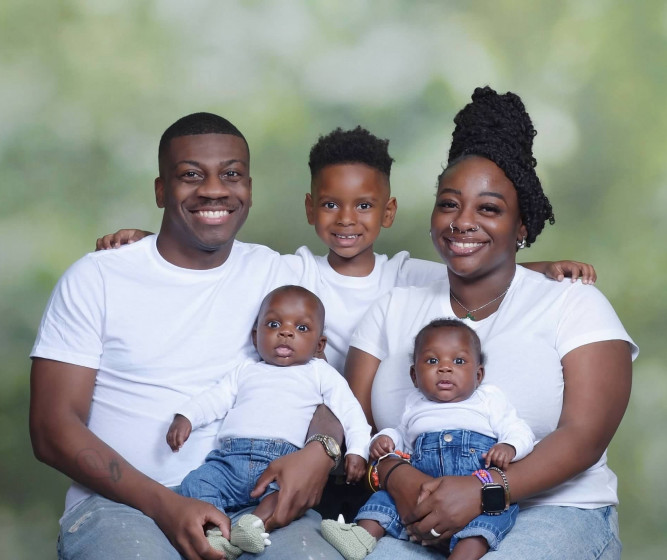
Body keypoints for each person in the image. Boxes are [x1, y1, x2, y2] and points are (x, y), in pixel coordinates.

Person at [95, 125, 597, 522]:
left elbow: (476, 265)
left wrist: (543, 268)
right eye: (331, 204)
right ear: (310, 208)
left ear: (388, 212)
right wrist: (150, 241)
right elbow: (220, 258)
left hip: (373, 451)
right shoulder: (292, 271)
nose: (346, 219)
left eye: (364, 206)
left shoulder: (405, 276)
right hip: (309, 449)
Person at [29, 112, 348, 560]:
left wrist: (321, 450)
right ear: (162, 190)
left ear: (249, 188)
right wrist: (167, 505)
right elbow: (51, 428)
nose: (214, 189)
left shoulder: (280, 276)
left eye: (231, 175)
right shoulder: (98, 277)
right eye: (191, 175)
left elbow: (324, 390)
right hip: (123, 507)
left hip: (257, 500)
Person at [345, 86, 638, 560]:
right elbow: (351, 424)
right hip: (410, 511)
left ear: (521, 227)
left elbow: (583, 438)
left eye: (488, 209)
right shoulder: (393, 307)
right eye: (449, 203)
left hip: (552, 512)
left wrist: (483, 491)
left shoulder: (573, 304)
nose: (462, 222)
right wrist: (397, 476)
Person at [166, 285, 371, 559]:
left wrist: (358, 450)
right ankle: (216, 533)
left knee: (285, 496)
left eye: (301, 328)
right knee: (196, 482)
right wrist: (187, 417)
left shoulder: (320, 373)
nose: (286, 332)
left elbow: (351, 411)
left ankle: (253, 525)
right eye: (274, 324)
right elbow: (215, 398)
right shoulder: (245, 370)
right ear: (256, 336)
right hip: (229, 460)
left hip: (281, 464)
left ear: (319, 345)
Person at [322, 319, 534, 560]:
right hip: (419, 493)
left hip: (473, 493)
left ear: (478, 374)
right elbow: (401, 434)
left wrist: (509, 446)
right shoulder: (415, 405)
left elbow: (519, 429)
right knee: (383, 501)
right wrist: (385, 438)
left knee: (491, 516)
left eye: (459, 361)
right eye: (432, 361)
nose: (445, 368)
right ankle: (360, 537)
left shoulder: (488, 400)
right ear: (414, 375)